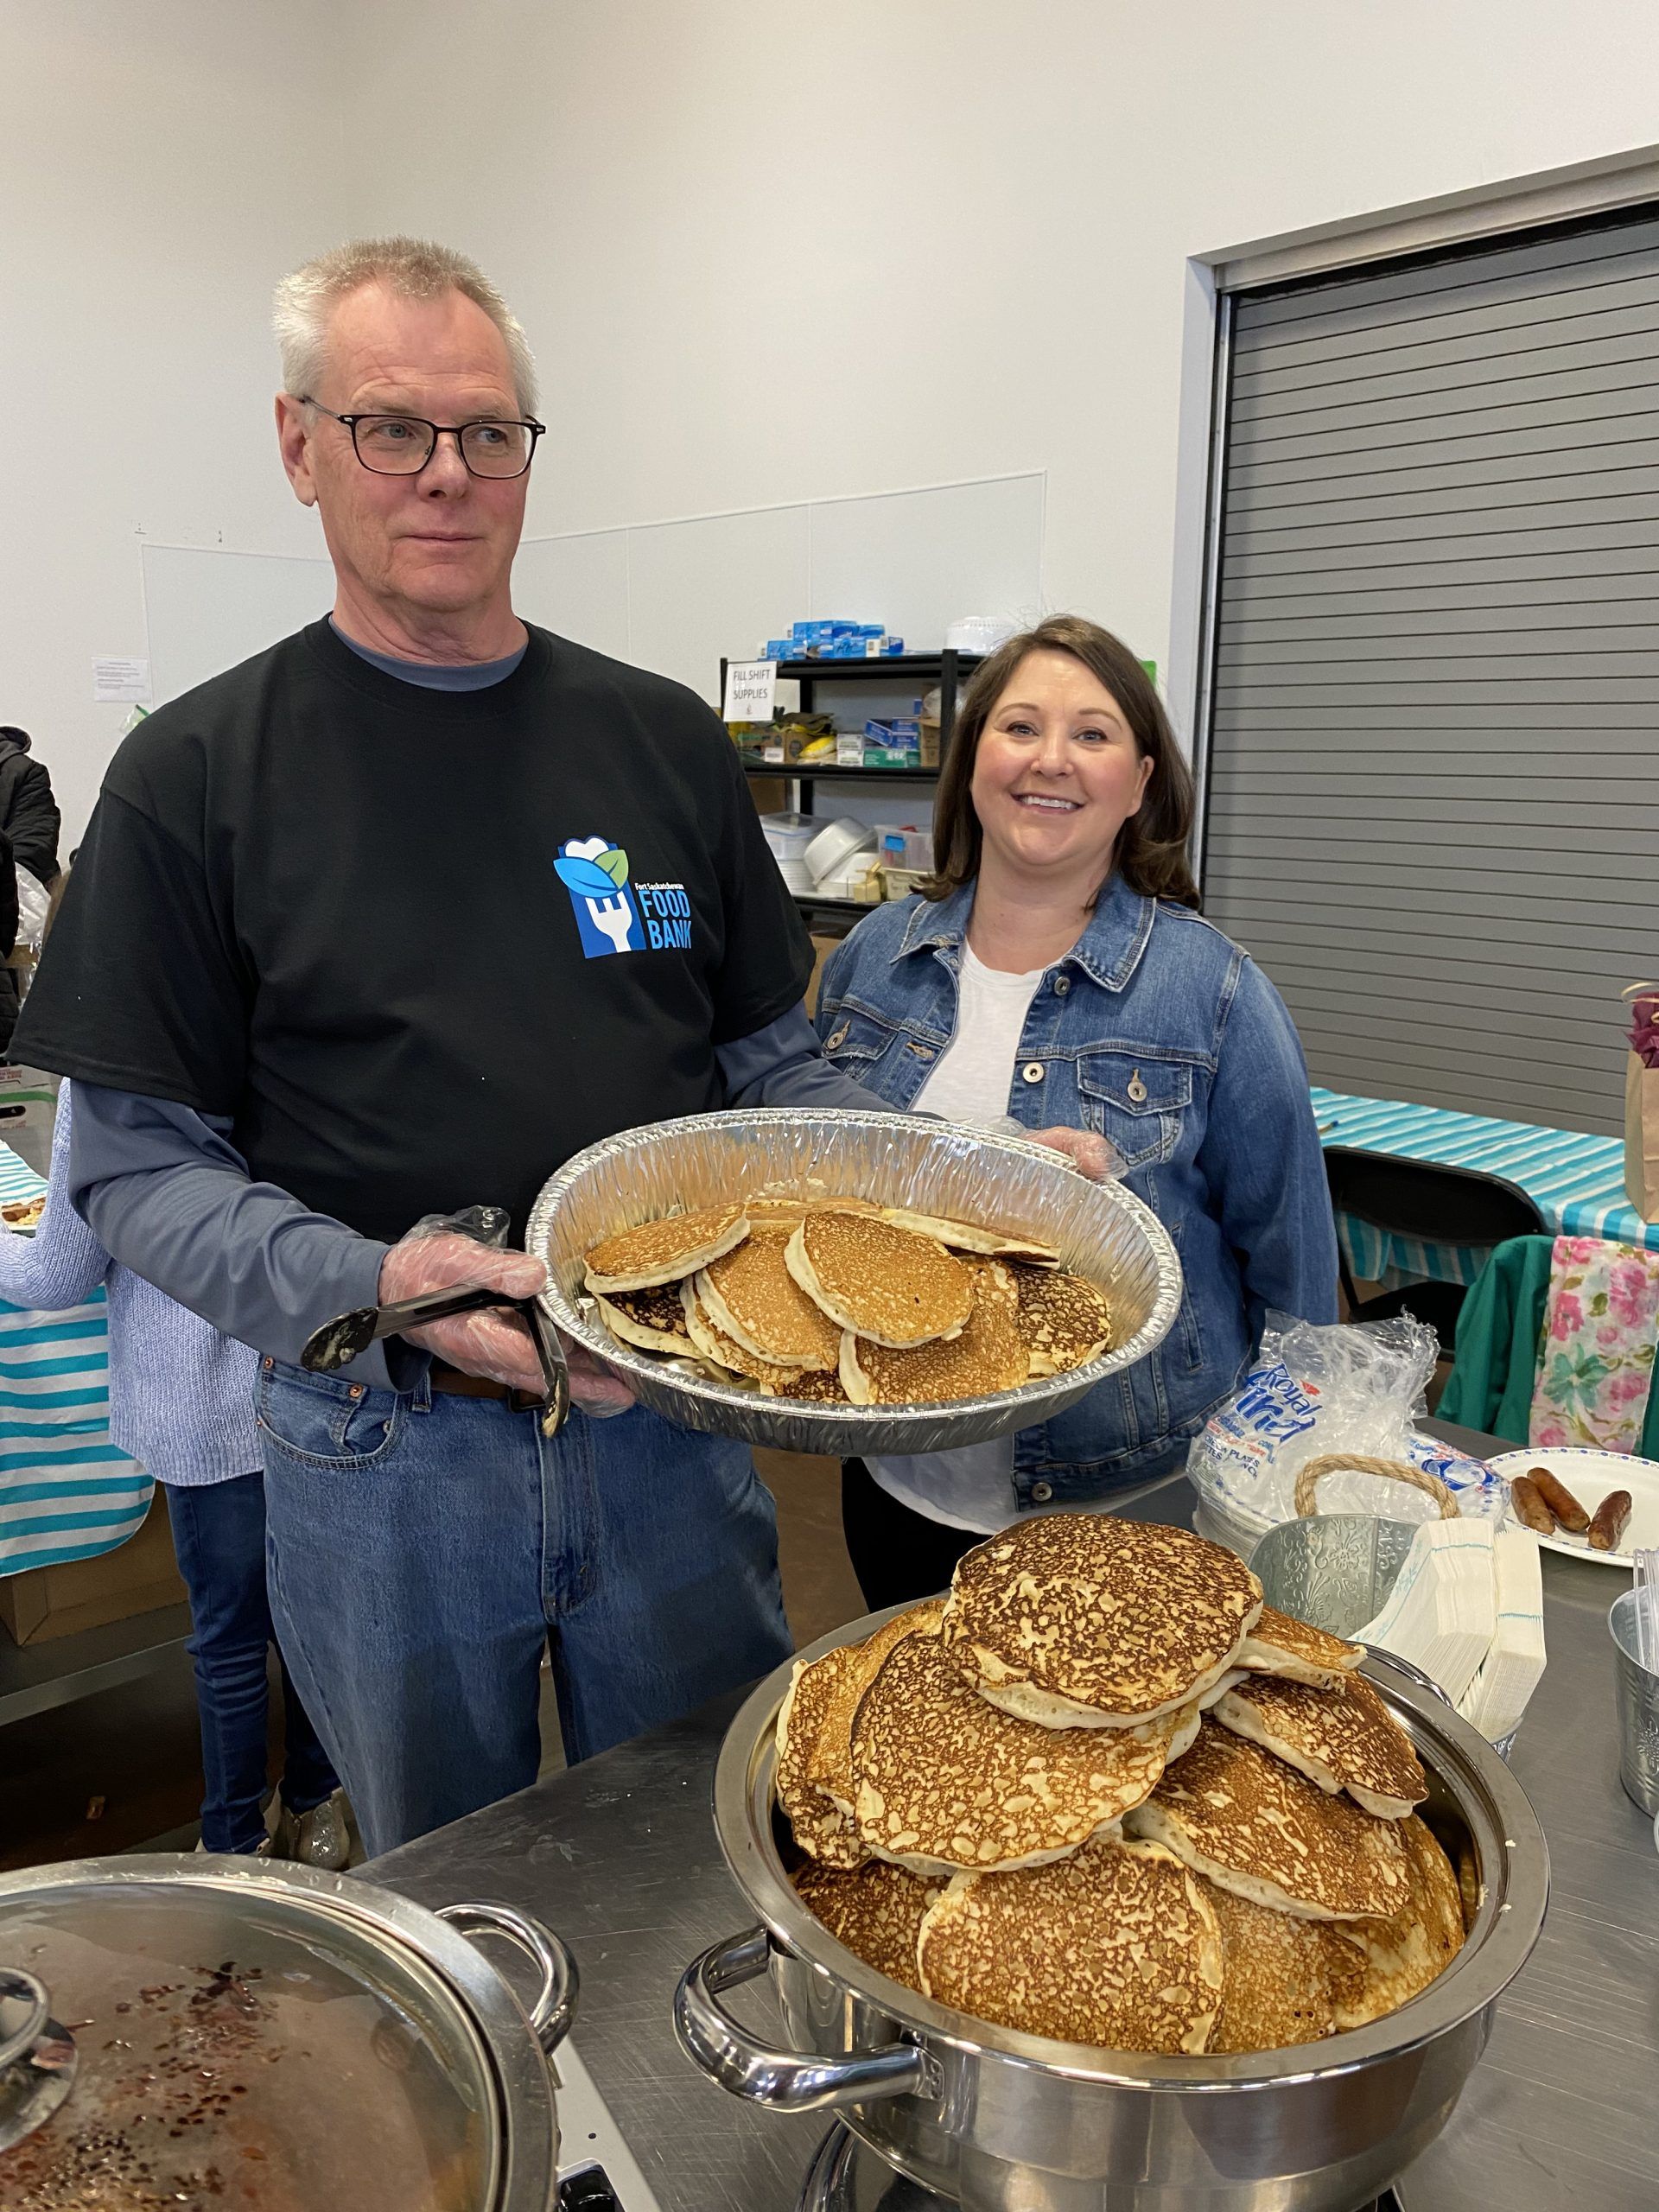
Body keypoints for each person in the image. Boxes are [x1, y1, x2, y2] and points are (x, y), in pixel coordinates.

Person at [16, 238, 1104, 1857]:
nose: (448, 475)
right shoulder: (194, 775)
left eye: (491, 432)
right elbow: (137, 1173)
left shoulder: (656, 736)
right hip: (381, 1444)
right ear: (300, 443)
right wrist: (373, 1284)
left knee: (704, 1850)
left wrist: (951, 1178)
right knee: (438, 1873)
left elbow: (772, 1076)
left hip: (672, 1415)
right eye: (395, 428)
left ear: (529, 453)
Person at [814, 614, 1338, 1608]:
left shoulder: (1214, 993)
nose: (1050, 760)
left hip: (1129, 1507)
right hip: (897, 1488)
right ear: (971, 761)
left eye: (1092, 734)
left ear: (1139, 782)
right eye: (1018, 727)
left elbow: (1299, 1295)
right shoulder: (873, 961)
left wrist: (1264, 1505)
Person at [0, 1084, 347, 1862]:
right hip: (324, 1389)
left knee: (229, 1641)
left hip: (208, 1407)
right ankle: (318, 1811)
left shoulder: (111, 1076)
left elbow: (55, 1274)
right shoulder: (293, 1033)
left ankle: (236, 1838)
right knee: (314, 1624)